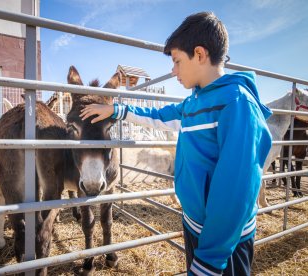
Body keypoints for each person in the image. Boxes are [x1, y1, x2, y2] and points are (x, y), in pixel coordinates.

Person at [80, 11, 272, 276]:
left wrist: (209, 261)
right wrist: (116, 111)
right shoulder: (193, 103)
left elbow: (236, 191)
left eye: (177, 61)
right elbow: (158, 116)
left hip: (226, 244)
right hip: (195, 225)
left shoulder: (237, 105)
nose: (173, 70)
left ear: (200, 54)